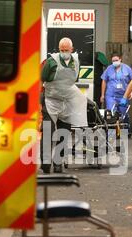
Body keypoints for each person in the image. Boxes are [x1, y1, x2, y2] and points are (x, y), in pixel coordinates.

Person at [40, 37, 87, 174]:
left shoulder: (76, 62)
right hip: (51, 101)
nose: (64, 52)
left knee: (64, 133)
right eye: (62, 50)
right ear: (59, 50)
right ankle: (46, 163)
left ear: (72, 50)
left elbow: (74, 81)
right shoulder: (51, 62)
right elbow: (41, 79)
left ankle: (58, 163)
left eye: (66, 50)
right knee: (48, 130)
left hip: (67, 102)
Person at [100, 53, 132, 134]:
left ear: (120, 59)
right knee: (111, 113)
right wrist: (102, 94)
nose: (115, 62)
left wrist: (131, 92)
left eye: (116, 60)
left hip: (123, 95)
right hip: (111, 95)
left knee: (123, 114)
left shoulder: (127, 68)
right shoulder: (109, 69)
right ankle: (111, 133)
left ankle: (125, 133)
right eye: (113, 61)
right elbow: (104, 81)